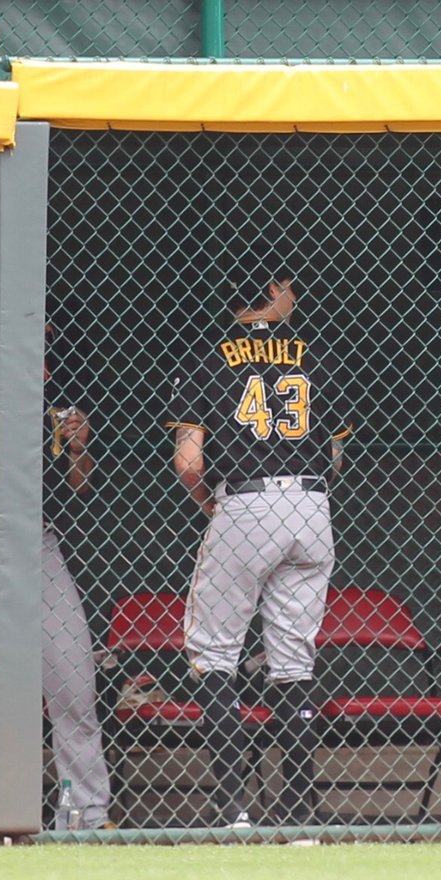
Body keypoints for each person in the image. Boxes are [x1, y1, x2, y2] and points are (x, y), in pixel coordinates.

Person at [165, 264, 350, 828]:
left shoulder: (204, 360)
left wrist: (210, 506)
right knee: (294, 659)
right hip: (313, 507)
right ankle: (298, 811)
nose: (293, 296)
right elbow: (336, 458)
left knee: (215, 650)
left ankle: (234, 810)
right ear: (273, 291)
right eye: (290, 287)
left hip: (244, 503)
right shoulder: (316, 356)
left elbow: (188, 462)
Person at [0, 344, 112, 835]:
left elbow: (79, 484)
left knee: (75, 683)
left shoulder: (57, 384)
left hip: (37, 539)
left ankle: (86, 815)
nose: (42, 335)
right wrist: (26, 489)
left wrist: (79, 447)